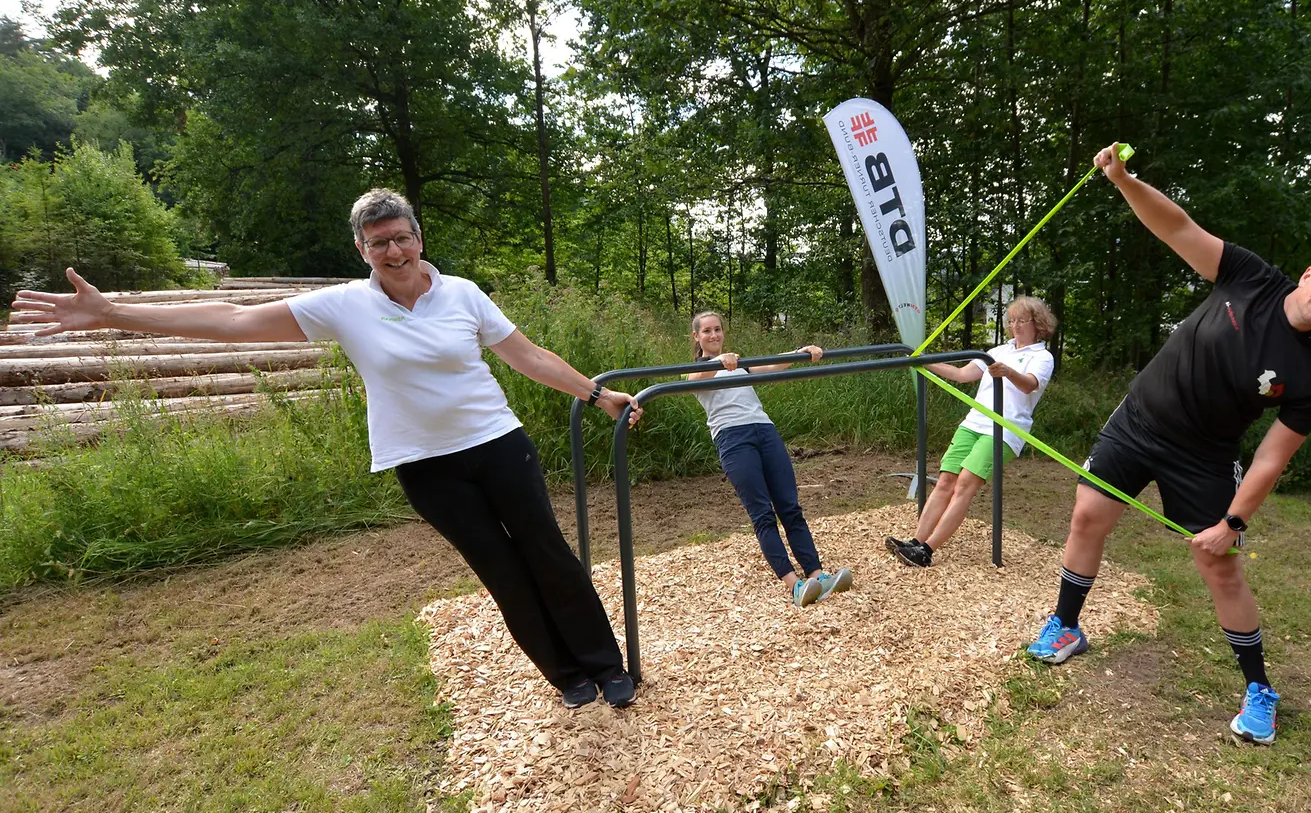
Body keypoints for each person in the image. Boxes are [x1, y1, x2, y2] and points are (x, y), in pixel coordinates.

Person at [12, 188, 645, 711]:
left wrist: (596, 394)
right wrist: (115, 313)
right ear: (362, 249)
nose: (393, 250)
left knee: (548, 555)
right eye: (378, 242)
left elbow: (526, 355)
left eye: (402, 236)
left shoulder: (463, 293)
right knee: (502, 574)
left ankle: (604, 662)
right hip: (425, 466)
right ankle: (567, 676)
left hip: (498, 444)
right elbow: (233, 320)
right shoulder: (344, 305)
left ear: (419, 238)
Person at [1026, 143, 1311, 746]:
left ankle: (1259, 690)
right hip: (1138, 420)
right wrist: (1123, 180)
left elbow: (1273, 455)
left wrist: (1235, 519)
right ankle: (1065, 625)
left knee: (1218, 564)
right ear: (1309, 275)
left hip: (1205, 454)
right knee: (1088, 518)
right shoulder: (1251, 278)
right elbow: (1178, 226)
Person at [687, 311, 854, 607]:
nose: (714, 335)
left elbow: (770, 364)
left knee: (790, 507)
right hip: (733, 438)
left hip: (765, 431)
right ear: (697, 337)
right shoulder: (700, 368)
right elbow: (696, 379)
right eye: (707, 331)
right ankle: (795, 585)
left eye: (718, 330)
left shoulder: (738, 365)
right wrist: (719, 361)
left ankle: (817, 574)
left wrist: (801, 352)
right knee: (763, 514)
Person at [885, 297, 1057, 567]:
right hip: (974, 423)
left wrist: (1008, 373)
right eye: (1012, 321)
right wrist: (922, 361)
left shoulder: (1042, 357)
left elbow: (1029, 385)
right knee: (945, 481)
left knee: (965, 484)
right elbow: (961, 374)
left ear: (1037, 324)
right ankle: (916, 542)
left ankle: (927, 551)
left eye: (1022, 321)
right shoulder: (998, 350)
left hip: (1004, 429)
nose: (1015, 326)